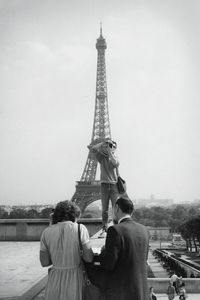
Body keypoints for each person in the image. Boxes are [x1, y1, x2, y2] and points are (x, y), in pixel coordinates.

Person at [39, 200, 94, 300]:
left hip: (54, 279)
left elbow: (44, 262)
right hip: (75, 279)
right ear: (74, 214)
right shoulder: (80, 229)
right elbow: (89, 258)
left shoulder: (46, 232)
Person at [98, 196, 149, 300]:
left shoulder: (115, 230)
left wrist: (103, 251)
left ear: (116, 207)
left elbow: (108, 264)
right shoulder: (144, 230)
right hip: (141, 291)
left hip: (122, 292)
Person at [89, 139, 119, 237]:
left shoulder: (116, 158)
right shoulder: (101, 158)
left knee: (115, 209)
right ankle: (104, 229)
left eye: (111, 146)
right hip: (104, 185)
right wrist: (103, 143)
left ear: (115, 148)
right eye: (107, 146)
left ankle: (116, 228)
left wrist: (110, 152)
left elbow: (114, 163)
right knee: (104, 210)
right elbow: (92, 148)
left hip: (114, 185)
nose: (108, 147)